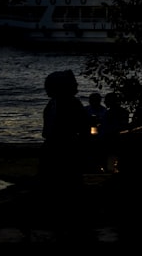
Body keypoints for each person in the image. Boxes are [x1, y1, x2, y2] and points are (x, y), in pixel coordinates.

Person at [39, 70, 91, 233]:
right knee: (64, 185)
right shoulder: (68, 103)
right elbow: (83, 128)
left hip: (61, 147)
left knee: (62, 185)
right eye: (73, 83)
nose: (77, 85)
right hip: (63, 148)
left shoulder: (59, 103)